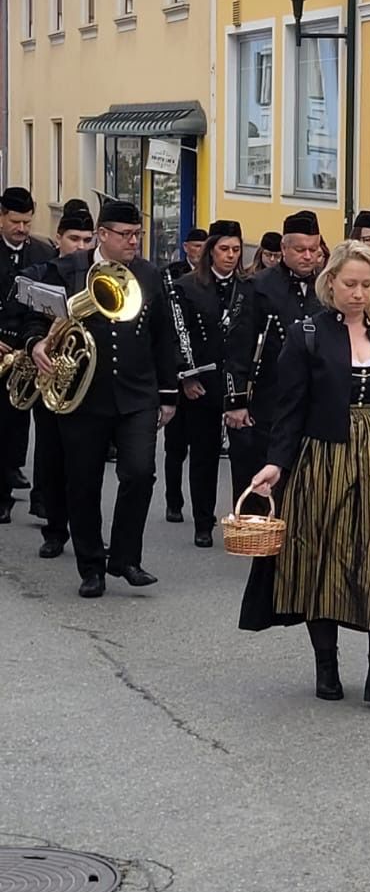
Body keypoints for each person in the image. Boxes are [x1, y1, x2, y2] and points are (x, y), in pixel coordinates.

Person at [240, 240, 370, 708]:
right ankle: (327, 665)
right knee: (323, 562)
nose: (359, 293)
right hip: (325, 458)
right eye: (351, 284)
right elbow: (290, 410)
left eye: (367, 284)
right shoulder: (307, 334)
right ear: (331, 283)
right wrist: (274, 464)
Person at [24, 200, 180, 597]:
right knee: (83, 481)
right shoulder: (68, 271)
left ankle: (126, 557)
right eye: (125, 235)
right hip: (83, 396)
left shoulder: (149, 274)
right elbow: (30, 314)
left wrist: (167, 394)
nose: (133, 242)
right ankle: (90, 565)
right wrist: (36, 343)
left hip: (137, 393)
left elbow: (164, 336)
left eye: (137, 235)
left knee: (140, 473)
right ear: (103, 235)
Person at [225, 211, 325, 502]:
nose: (308, 256)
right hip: (268, 397)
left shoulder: (327, 286)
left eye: (314, 250)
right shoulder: (256, 286)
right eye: (300, 250)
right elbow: (237, 346)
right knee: (263, 483)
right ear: (283, 249)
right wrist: (236, 402)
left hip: (314, 398)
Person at [166, 221, 249, 546]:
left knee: (243, 453)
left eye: (236, 249)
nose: (230, 256)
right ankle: (203, 521)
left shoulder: (247, 287)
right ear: (210, 250)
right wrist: (186, 376)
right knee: (203, 453)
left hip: (236, 382)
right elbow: (177, 334)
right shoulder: (187, 286)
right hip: (200, 379)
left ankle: (245, 517)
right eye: (224, 249)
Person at [28, 208, 96, 551]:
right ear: (59, 238)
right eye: (74, 239)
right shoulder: (46, 272)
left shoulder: (101, 273)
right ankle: (55, 529)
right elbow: (30, 318)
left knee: (86, 464)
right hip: (52, 377)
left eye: (87, 240)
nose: (80, 246)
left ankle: (90, 537)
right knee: (52, 456)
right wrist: (35, 342)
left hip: (91, 379)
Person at [0, 187, 57, 518]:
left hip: (33, 344)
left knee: (45, 426)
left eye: (27, 222)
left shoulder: (42, 251)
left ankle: (41, 498)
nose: (22, 229)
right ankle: (3, 495)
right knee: (5, 421)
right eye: (15, 222)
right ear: (2, 217)